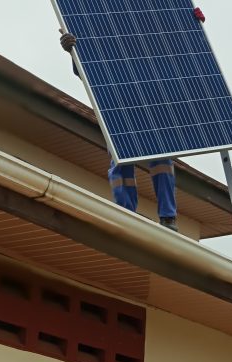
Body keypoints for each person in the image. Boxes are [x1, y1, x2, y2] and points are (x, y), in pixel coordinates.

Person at [59, 31, 179, 231]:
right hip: (119, 113)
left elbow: (178, 60)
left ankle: (168, 217)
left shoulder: (149, 45)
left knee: (161, 160)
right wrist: (73, 52)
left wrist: (190, 27)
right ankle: (125, 212)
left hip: (153, 110)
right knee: (121, 161)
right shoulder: (105, 42)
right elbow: (89, 71)